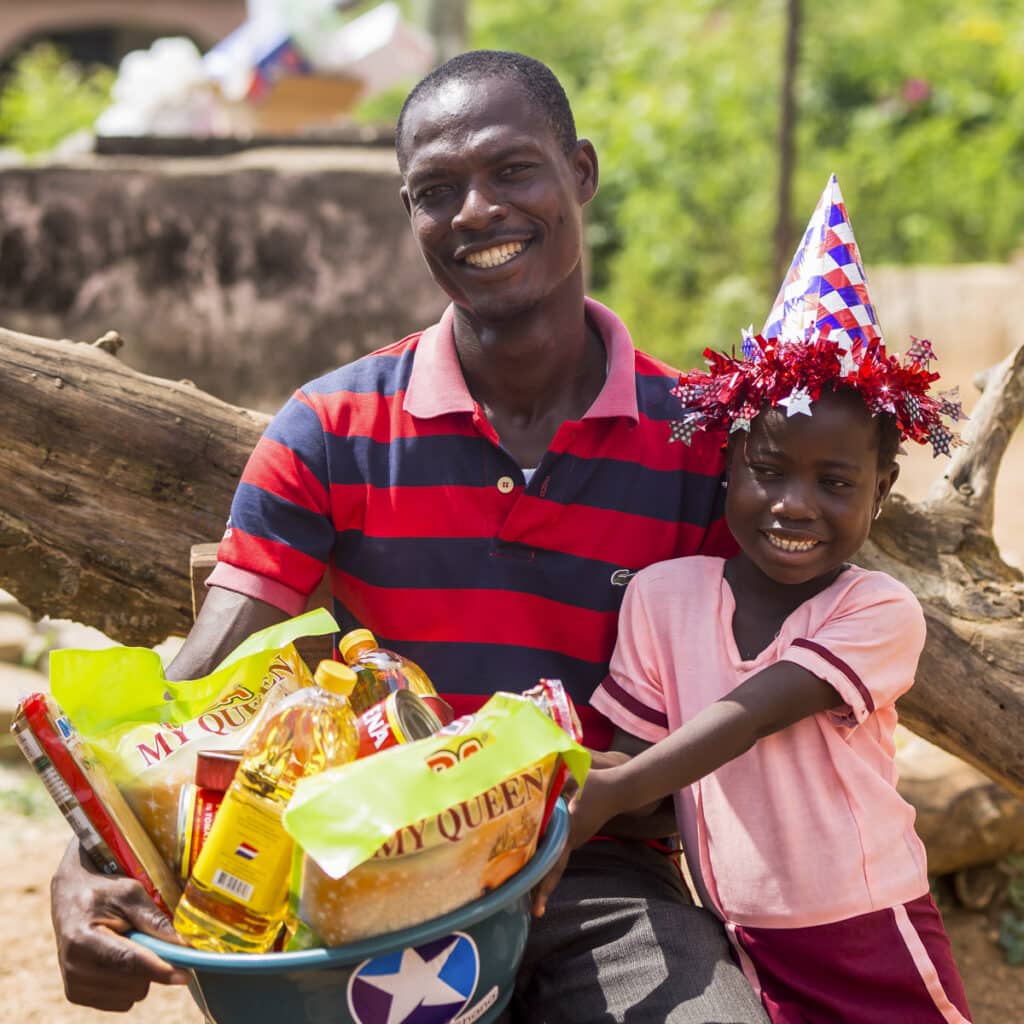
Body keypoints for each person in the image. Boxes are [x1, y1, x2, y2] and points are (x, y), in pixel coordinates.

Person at [49, 51, 769, 1022]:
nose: (474, 209)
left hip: (600, 878)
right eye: (437, 190)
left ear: (582, 173)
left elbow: (777, 681)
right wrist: (84, 860)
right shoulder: (330, 428)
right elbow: (200, 685)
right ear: (408, 211)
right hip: (359, 894)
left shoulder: (699, 443)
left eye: (511, 169)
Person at [533, 176, 972, 1023]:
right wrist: (544, 785)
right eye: (768, 471)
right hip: (747, 935)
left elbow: (747, 714)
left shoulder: (877, 612)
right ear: (726, 466)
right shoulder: (663, 599)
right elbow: (641, 771)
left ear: (881, 493)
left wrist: (613, 792)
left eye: (835, 482)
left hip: (869, 929)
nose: (794, 504)